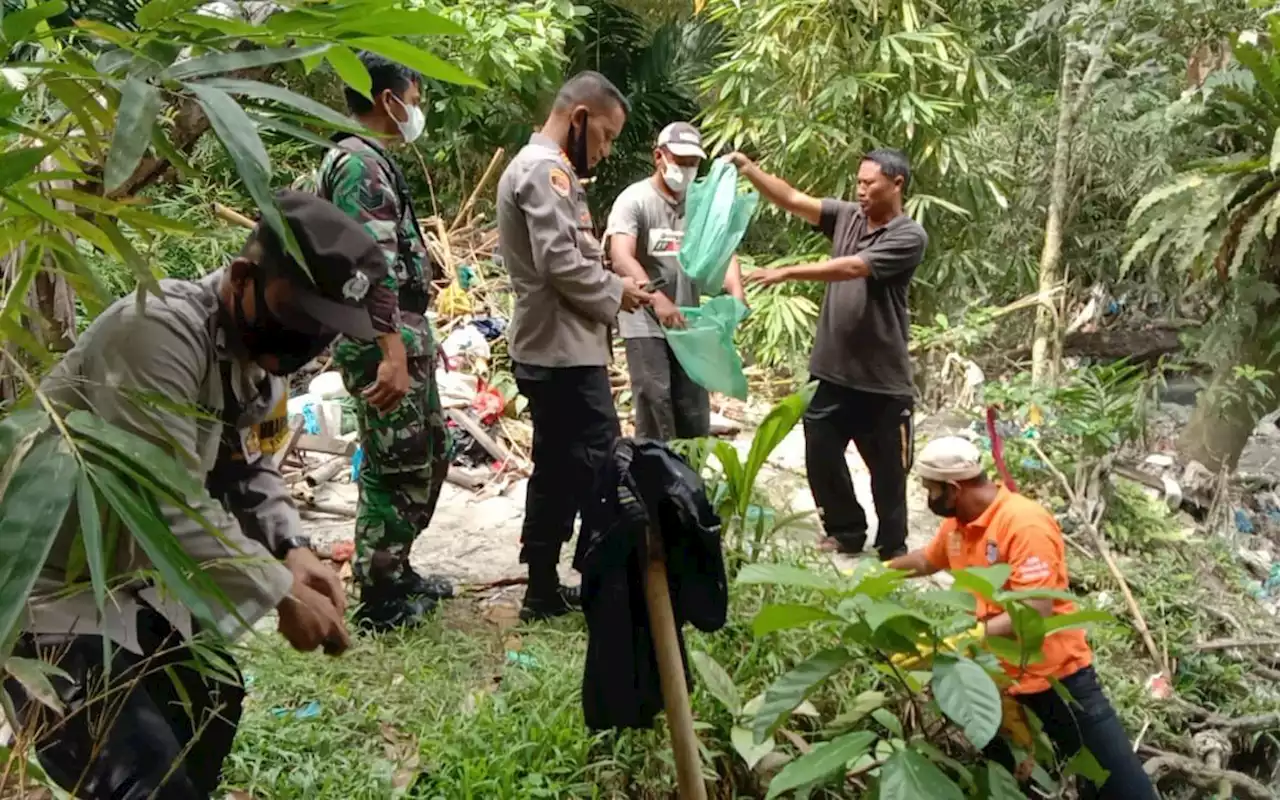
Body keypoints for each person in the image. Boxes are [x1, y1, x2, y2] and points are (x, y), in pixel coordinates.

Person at [5, 191, 380, 800]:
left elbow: (251, 468)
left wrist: (293, 546)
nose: (309, 339)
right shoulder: (157, 333)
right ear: (241, 278)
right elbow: (168, 502)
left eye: (325, 327)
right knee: (139, 777)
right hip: (45, 588)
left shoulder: (261, 361)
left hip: (127, 583)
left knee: (211, 702)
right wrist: (281, 596)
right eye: (300, 315)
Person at [888, 436, 1158, 800]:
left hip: (1057, 678)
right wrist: (879, 573)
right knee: (1016, 783)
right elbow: (927, 560)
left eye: (930, 490)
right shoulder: (959, 524)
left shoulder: (1023, 523)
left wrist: (961, 640)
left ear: (953, 488)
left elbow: (1033, 611)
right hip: (1000, 684)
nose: (926, 498)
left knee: (1121, 786)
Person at [496, 70, 652, 621]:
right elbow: (560, 263)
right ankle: (605, 585)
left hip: (559, 348)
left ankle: (542, 588)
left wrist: (612, 281)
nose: (606, 151)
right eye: (606, 136)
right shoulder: (545, 172)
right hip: (560, 354)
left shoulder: (548, 170)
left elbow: (570, 256)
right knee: (601, 467)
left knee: (558, 468)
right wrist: (619, 293)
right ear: (579, 118)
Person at [728, 148, 927, 560]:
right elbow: (792, 198)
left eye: (869, 183)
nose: (861, 190)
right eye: (858, 182)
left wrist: (787, 272)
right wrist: (750, 170)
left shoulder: (908, 235)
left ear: (897, 184)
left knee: (888, 471)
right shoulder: (848, 216)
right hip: (830, 371)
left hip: (881, 379)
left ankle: (893, 546)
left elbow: (853, 267)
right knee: (821, 455)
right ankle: (845, 529)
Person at [316, 52, 453, 632]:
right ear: (388, 100)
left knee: (429, 453)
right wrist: (392, 351)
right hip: (381, 339)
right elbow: (368, 267)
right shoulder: (359, 167)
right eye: (414, 101)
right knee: (395, 468)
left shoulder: (368, 161)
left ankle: (396, 568)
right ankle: (380, 598)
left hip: (398, 333)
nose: (416, 113)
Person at [607, 122, 745, 440]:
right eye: (679, 161)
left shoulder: (700, 204)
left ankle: (690, 479)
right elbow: (621, 256)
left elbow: (722, 247)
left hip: (688, 320)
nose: (685, 169)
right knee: (654, 398)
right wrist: (656, 297)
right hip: (645, 320)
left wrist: (736, 292)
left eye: (692, 163)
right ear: (659, 156)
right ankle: (656, 480)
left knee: (693, 405)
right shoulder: (636, 200)